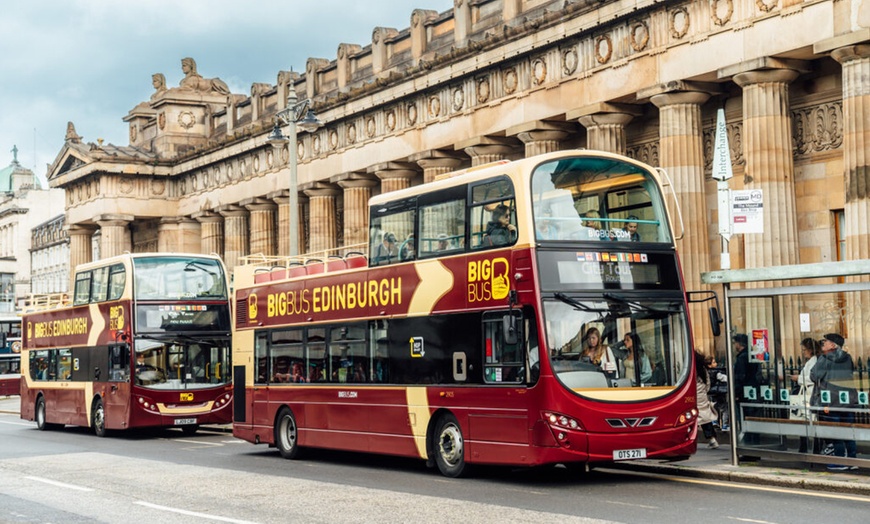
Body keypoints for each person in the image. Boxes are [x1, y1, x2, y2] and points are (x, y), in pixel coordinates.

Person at [810, 333, 857, 470]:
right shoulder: (847, 358)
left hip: (830, 400)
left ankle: (839, 460)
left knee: (834, 432)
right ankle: (852, 460)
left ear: (833, 345)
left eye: (825, 341)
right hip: (847, 400)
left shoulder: (825, 358)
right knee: (848, 431)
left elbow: (814, 375)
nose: (822, 343)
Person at [790, 338, 821, 454]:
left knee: (808, 420)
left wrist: (798, 378)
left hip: (810, 394)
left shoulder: (813, 361)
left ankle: (808, 447)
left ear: (810, 350)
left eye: (804, 350)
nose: (803, 352)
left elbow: (812, 379)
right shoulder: (812, 361)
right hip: (809, 393)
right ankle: (806, 446)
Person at [732, 333, 762, 444]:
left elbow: (740, 377)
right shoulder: (752, 355)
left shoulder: (742, 358)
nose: (735, 345)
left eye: (735, 343)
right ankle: (755, 445)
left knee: (745, 421)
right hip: (753, 392)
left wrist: (737, 393)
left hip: (745, 394)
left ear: (739, 344)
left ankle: (749, 447)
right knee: (752, 421)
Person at [695, 350, 720, 449]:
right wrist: (704, 391)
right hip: (702, 395)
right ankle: (712, 438)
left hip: (694, 395)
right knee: (705, 418)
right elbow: (708, 383)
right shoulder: (703, 369)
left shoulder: (692, 369)